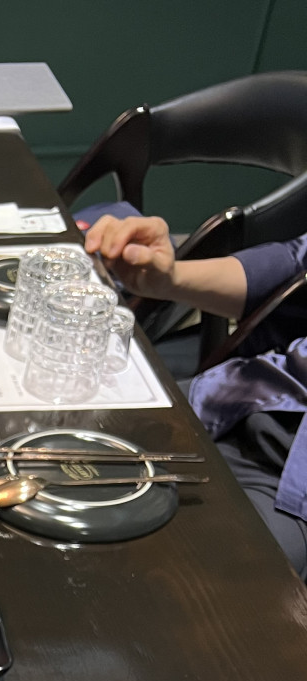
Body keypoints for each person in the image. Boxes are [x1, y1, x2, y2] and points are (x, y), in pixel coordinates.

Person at [86, 211, 307, 577]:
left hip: (292, 491)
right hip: (238, 399)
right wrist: (169, 277)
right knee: (58, 442)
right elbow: (292, 265)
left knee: (167, 576)